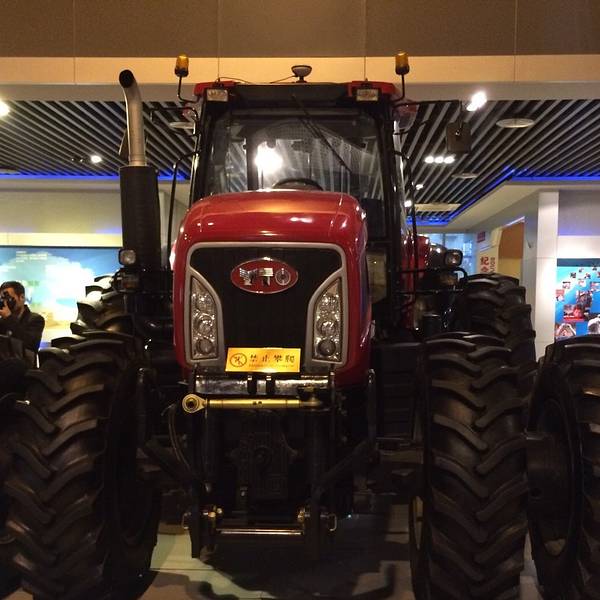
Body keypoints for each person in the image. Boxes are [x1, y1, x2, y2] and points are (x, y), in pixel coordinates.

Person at [0, 281, 45, 353]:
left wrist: (9, 318)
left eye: (9, 298)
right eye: (3, 299)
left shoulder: (36, 319)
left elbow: (29, 344)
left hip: (23, 359)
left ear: (22, 297)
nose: (6, 302)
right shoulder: (3, 321)